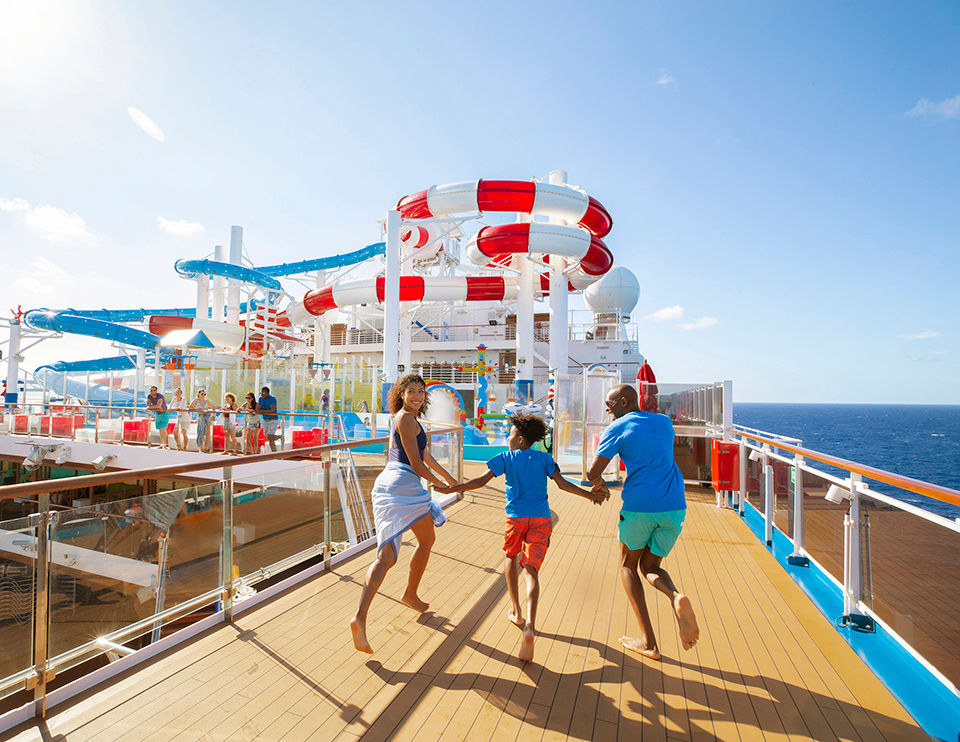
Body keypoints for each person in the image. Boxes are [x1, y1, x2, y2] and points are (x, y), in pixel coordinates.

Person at [437, 412, 605, 662]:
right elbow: (563, 485)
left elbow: (480, 482)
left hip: (516, 519)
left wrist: (453, 488)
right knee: (532, 571)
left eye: (511, 433)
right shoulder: (545, 460)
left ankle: (516, 611)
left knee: (510, 558)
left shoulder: (505, 458)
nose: (507, 436)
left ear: (522, 439)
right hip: (541, 519)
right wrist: (591, 496)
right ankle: (531, 626)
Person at [586, 384, 699, 659]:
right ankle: (675, 596)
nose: (607, 409)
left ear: (623, 402)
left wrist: (599, 486)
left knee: (628, 566)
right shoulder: (663, 422)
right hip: (674, 506)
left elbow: (592, 472)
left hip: (640, 506)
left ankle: (649, 643)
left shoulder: (617, 427)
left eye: (609, 404)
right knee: (651, 566)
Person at [351, 373, 457, 653]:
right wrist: (441, 485)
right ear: (401, 393)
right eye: (411, 391)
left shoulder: (406, 419)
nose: (417, 396)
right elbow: (417, 465)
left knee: (395, 553)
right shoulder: (406, 419)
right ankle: (406, 595)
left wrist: (451, 479)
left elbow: (426, 457)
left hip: (394, 485)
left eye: (421, 392)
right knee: (422, 543)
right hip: (403, 486)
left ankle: (365, 616)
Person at [189, 389, 214, 453]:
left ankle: (206, 448)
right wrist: (197, 409)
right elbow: (190, 408)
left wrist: (211, 413)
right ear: (198, 394)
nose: (203, 395)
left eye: (204, 394)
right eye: (202, 394)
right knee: (201, 432)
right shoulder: (196, 400)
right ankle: (201, 448)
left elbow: (213, 408)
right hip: (201, 417)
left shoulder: (206, 401)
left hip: (207, 416)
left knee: (207, 433)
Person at [258, 386, 281, 452]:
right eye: (261, 393)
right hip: (265, 419)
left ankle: (274, 453)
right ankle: (280, 437)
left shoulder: (272, 399)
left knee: (270, 437)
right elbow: (258, 408)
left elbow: (272, 410)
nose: (262, 394)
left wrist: (262, 411)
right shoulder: (260, 399)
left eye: (264, 393)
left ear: (268, 393)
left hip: (273, 419)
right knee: (268, 436)